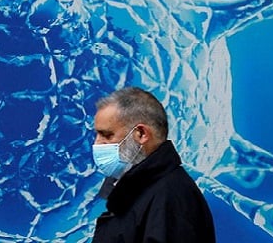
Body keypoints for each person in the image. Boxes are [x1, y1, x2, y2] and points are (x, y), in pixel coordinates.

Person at [90, 86, 215, 243]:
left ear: (141, 134)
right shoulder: (136, 195)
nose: (97, 143)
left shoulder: (170, 199)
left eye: (107, 135)